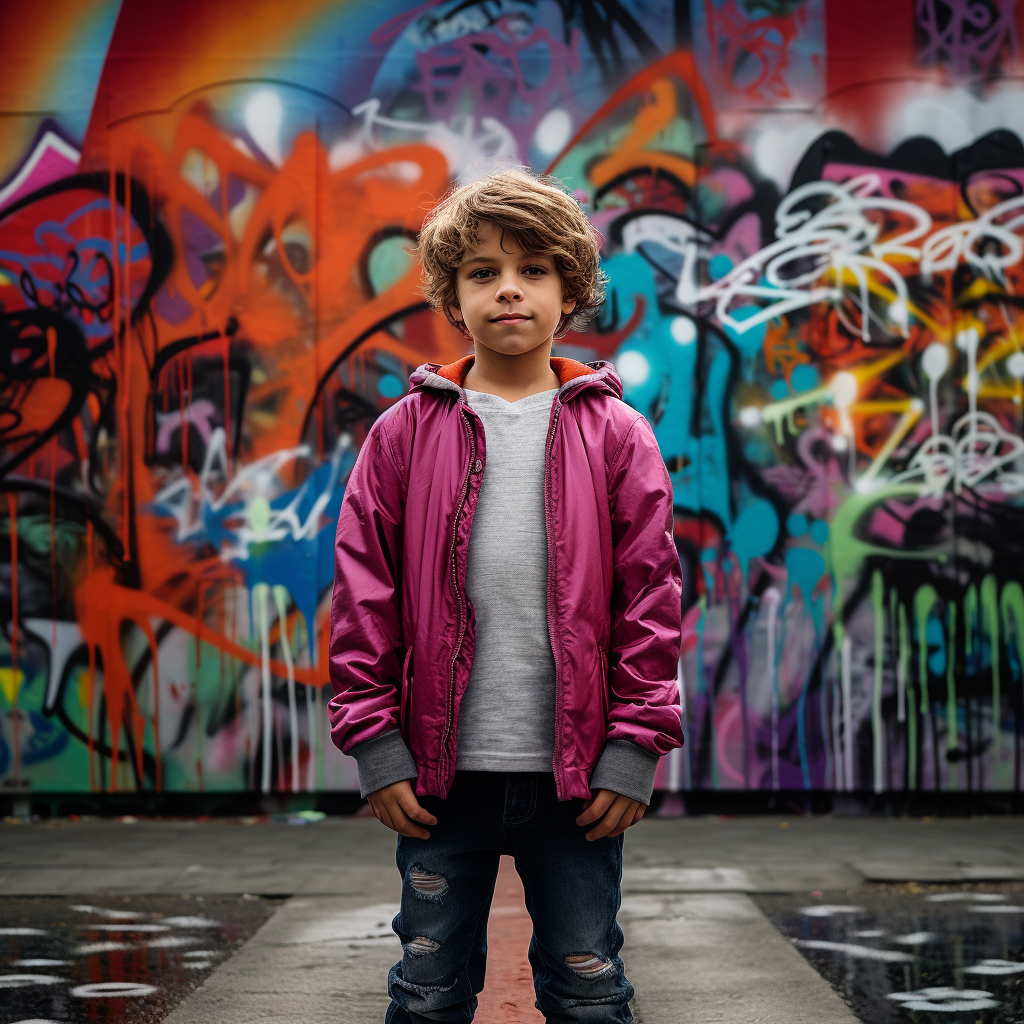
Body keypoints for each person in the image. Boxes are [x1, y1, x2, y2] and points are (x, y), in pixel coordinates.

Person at [328, 168, 683, 1023]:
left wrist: (635, 749)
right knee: (426, 990)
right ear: (453, 296)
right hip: (438, 781)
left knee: (590, 987)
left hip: (580, 783)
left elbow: (652, 598)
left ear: (572, 291)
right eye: (483, 273)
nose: (509, 290)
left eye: (533, 270)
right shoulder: (406, 431)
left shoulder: (616, 433)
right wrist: (375, 744)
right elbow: (362, 596)